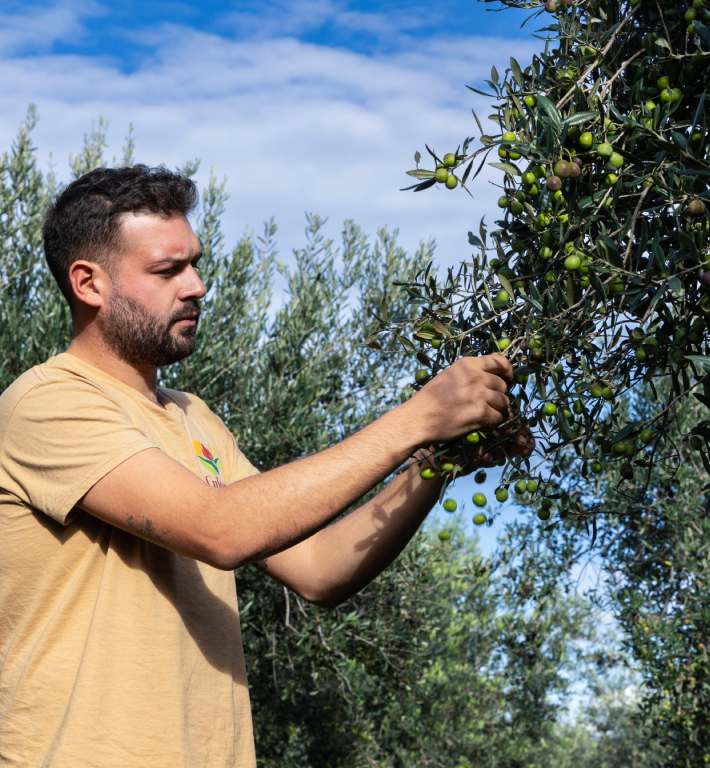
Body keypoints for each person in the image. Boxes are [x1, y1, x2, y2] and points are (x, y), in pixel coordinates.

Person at [0, 165, 531, 767]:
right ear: (88, 284)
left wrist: (434, 463)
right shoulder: (46, 405)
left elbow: (319, 569)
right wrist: (419, 417)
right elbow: (221, 529)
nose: (197, 285)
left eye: (196, 263)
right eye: (167, 270)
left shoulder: (194, 418)